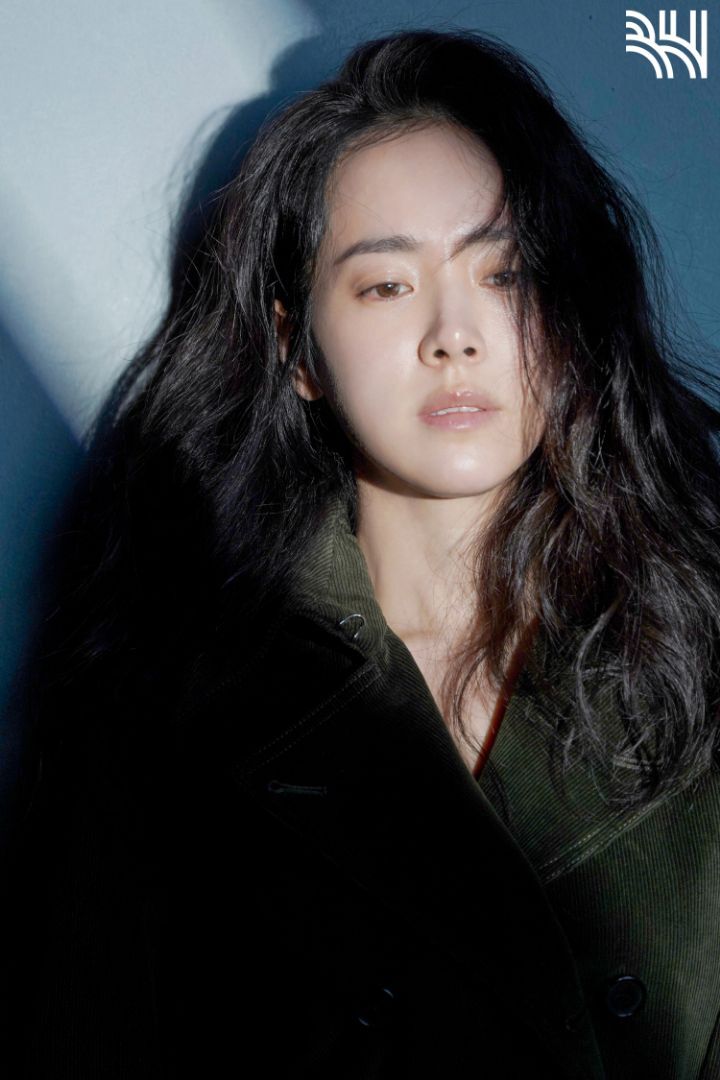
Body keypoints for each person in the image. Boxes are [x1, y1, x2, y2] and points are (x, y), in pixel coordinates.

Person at [4, 26, 720, 1080]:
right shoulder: (168, 701)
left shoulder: (692, 650)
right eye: (387, 286)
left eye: (507, 273)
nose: (455, 334)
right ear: (296, 350)